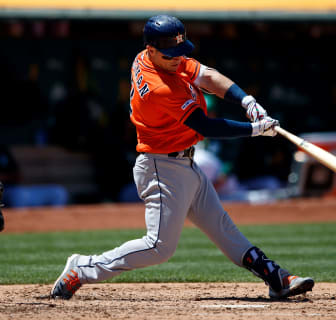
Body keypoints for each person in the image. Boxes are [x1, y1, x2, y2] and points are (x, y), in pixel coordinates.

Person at [50, 15, 314, 300]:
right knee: (159, 247)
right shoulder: (158, 87)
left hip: (185, 162)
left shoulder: (156, 56)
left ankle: (276, 277)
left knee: (223, 228)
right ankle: (83, 267)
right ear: (151, 49)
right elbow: (205, 125)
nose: (178, 58)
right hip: (161, 168)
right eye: (170, 53)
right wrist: (255, 130)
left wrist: (247, 100)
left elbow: (207, 75)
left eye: (180, 50)